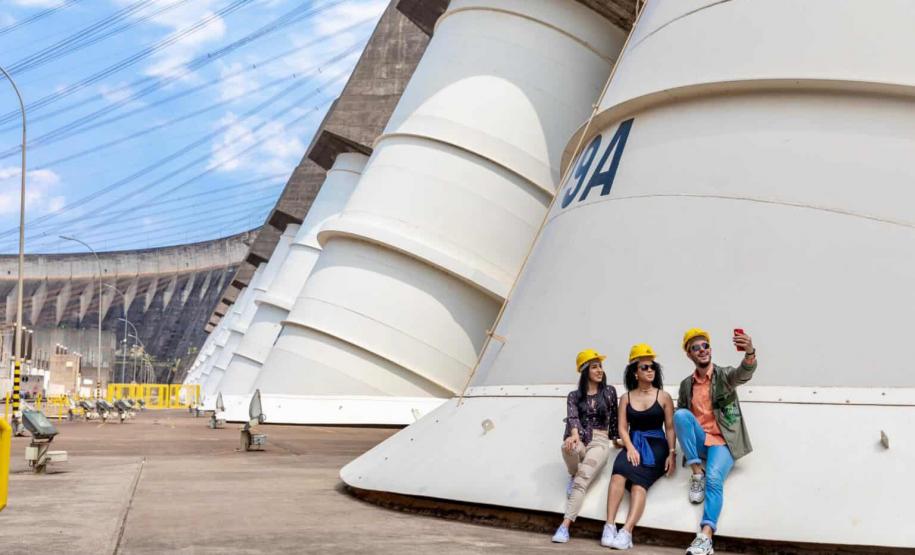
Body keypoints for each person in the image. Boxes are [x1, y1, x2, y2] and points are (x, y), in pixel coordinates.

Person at [675, 328, 757, 555]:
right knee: (680, 415)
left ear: (710, 350)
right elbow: (682, 422)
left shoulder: (725, 375)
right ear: (689, 354)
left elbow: (745, 372)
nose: (702, 350)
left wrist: (749, 352)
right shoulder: (686, 385)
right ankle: (696, 472)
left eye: (705, 346)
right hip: (701, 443)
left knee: (714, 478)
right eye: (696, 348)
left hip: (723, 441)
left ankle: (705, 537)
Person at [602, 343, 676, 549]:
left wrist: (672, 453)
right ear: (635, 372)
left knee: (638, 483)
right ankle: (609, 526)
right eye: (644, 367)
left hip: (657, 446)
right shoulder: (625, 397)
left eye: (652, 367)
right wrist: (631, 448)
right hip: (633, 442)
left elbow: (670, 427)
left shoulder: (664, 396)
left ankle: (626, 531)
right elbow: (622, 428)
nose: (650, 370)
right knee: (618, 473)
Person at [551, 349, 620, 544]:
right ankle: (573, 472)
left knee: (582, 480)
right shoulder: (574, 396)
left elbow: (613, 419)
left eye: (600, 366)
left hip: (599, 441)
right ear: (584, 371)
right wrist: (573, 436)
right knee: (568, 448)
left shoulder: (609, 392)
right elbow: (573, 418)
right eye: (594, 367)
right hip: (580, 438)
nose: (600, 370)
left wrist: (615, 440)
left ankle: (564, 527)